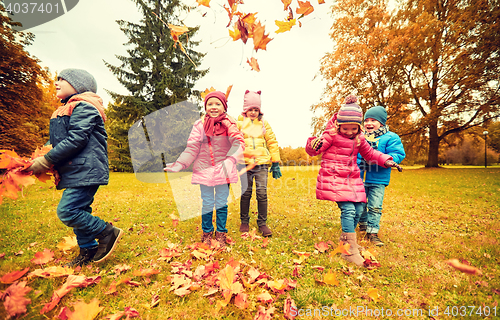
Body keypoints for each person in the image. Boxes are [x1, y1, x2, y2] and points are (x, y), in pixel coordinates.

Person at [25, 68, 122, 267]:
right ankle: (88, 248)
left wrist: (47, 161)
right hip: (75, 170)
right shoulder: (68, 109)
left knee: (68, 211)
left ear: (78, 85)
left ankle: (107, 232)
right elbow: (58, 141)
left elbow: (76, 139)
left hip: (86, 169)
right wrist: (40, 155)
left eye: (62, 79)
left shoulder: (85, 106)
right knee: (79, 209)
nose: (56, 83)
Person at [305, 95, 402, 266]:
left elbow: (371, 154)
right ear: (339, 125)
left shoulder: (359, 139)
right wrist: (313, 144)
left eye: (353, 129)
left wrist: (387, 160)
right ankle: (348, 250)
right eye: (346, 129)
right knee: (349, 210)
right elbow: (314, 150)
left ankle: (347, 241)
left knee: (359, 209)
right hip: (334, 178)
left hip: (352, 179)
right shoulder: (332, 135)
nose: (349, 133)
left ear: (358, 128)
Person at [164, 91, 245, 248]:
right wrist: (180, 163)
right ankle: (207, 233)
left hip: (224, 169)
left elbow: (238, 142)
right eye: (210, 104)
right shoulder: (199, 125)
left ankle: (221, 233)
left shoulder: (229, 123)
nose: (213, 107)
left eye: (217, 104)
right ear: (205, 106)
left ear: (224, 106)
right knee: (207, 203)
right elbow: (192, 148)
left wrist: (231, 159)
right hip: (204, 170)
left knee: (221, 203)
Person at [357, 106, 406, 246]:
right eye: (366, 120)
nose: (368, 123)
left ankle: (372, 232)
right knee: (359, 205)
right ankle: (363, 223)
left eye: (373, 120)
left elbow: (398, 154)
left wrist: (388, 159)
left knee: (375, 206)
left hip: (378, 179)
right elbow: (354, 155)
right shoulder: (360, 137)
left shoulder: (390, 137)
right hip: (359, 178)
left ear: (382, 122)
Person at [237, 90, 281, 237]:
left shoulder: (264, 124)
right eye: (251, 109)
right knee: (246, 193)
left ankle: (262, 222)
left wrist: (275, 161)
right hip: (244, 164)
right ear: (245, 110)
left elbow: (272, 142)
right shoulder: (239, 123)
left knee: (261, 193)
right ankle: (244, 220)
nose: (253, 112)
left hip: (261, 164)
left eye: (256, 109)